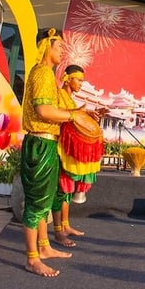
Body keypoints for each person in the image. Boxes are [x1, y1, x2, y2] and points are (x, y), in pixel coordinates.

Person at [20, 28, 74, 277]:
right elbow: (43, 111)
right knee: (36, 203)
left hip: (47, 143)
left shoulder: (47, 75)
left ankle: (44, 247)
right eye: (59, 47)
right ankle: (32, 258)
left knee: (42, 200)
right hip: (40, 144)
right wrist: (74, 116)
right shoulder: (42, 72)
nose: (62, 51)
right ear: (46, 47)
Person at [53, 64, 105, 247]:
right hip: (60, 147)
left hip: (68, 149)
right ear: (67, 78)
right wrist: (79, 113)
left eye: (83, 80)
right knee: (61, 191)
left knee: (66, 191)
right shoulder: (59, 96)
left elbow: (75, 118)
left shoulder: (71, 100)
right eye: (79, 80)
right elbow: (61, 117)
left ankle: (65, 225)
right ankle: (58, 231)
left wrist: (89, 115)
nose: (81, 84)